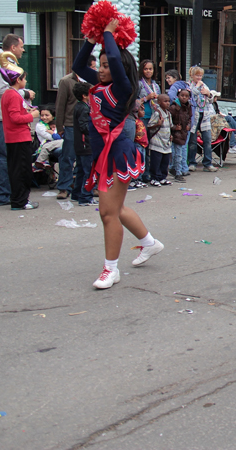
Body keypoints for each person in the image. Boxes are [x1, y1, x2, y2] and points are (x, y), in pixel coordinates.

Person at [72, 18, 163, 289]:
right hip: (103, 155)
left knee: (107, 213)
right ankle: (149, 243)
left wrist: (109, 34)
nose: (100, 70)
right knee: (117, 209)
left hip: (117, 154)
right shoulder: (99, 82)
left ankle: (111, 269)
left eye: (105, 65)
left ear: (119, 68)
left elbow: (113, 55)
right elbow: (78, 66)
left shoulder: (123, 87)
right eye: (98, 65)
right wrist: (91, 39)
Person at [0, 35, 29, 206]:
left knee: (9, 157)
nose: (23, 50)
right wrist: (25, 94)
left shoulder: (2, 62)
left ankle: (6, 193)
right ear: (12, 48)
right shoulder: (0, 62)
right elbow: (2, 89)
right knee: (7, 157)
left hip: (1, 115)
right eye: (21, 46)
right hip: (0, 117)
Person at [0, 52, 40, 210]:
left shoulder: (9, 94)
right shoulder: (14, 96)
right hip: (19, 138)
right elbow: (16, 118)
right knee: (22, 171)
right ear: (18, 80)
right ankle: (20, 201)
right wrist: (31, 115)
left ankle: (19, 199)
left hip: (14, 137)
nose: (26, 81)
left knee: (17, 169)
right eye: (24, 78)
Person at [55, 56, 95, 200]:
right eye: (93, 67)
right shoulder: (66, 81)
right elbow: (60, 105)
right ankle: (64, 187)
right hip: (71, 125)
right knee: (68, 157)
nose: (95, 70)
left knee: (84, 160)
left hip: (87, 124)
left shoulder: (91, 82)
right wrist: (59, 126)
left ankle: (85, 187)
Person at [187, 66, 218, 172]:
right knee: (192, 141)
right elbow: (190, 96)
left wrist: (208, 94)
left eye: (200, 75)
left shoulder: (204, 86)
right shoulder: (189, 85)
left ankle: (207, 163)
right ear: (192, 76)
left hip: (204, 115)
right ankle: (192, 162)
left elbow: (210, 100)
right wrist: (197, 87)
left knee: (207, 139)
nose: (199, 78)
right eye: (197, 75)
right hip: (194, 116)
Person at [72, 81, 96, 206]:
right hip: (86, 144)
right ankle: (86, 197)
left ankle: (76, 194)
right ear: (84, 95)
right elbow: (84, 126)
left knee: (81, 170)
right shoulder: (84, 108)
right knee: (89, 171)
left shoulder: (79, 106)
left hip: (80, 144)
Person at [147, 94, 173, 186]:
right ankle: (154, 178)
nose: (167, 103)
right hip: (157, 141)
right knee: (156, 161)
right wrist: (158, 124)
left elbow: (170, 126)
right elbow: (149, 125)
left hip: (166, 141)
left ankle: (162, 177)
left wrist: (171, 135)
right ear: (159, 102)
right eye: (165, 101)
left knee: (165, 161)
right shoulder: (157, 113)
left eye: (168, 101)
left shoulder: (168, 114)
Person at [169, 89, 191, 182]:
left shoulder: (188, 106)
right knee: (178, 154)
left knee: (179, 153)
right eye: (182, 95)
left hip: (183, 133)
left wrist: (188, 125)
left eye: (186, 96)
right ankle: (178, 173)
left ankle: (174, 169)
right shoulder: (174, 107)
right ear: (178, 96)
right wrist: (174, 128)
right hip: (176, 133)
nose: (184, 98)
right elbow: (169, 120)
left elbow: (190, 117)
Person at [129, 102, 149, 189]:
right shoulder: (134, 121)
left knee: (141, 162)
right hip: (137, 144)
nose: (143, 112)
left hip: (143, 145)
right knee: (136, 162)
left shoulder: (141, 121)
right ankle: (135, 180)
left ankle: (139, 179)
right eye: (141, 110)